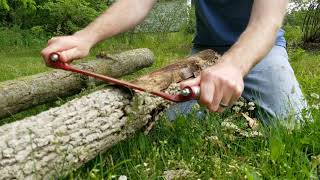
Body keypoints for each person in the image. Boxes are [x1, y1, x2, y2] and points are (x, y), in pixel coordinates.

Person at [41, 0, 308, 124]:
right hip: (205, 51)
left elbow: (266, 22)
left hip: (263, 50)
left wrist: (233, 66)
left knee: (292, 125)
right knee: (169, 122)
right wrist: (86, 37)